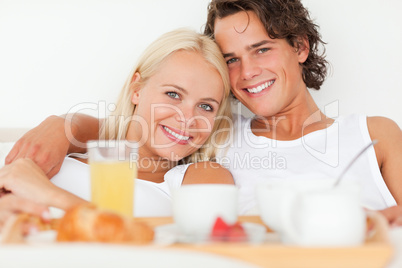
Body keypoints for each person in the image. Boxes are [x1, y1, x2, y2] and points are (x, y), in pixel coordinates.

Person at [5, 0, 402, 224]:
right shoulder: (220, 137)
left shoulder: (376, 134)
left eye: (261, 49)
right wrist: (62, 125)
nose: (247, 72)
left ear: (300, 47)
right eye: (231, 59)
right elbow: (139, 133)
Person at [0, 28, 235, 228]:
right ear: (136, 90)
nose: (187, 118)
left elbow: (191, 252)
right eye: (173, 94)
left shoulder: (201, 177)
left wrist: (50, 196)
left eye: (205, 106)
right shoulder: (60, 153)